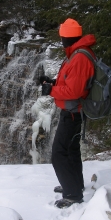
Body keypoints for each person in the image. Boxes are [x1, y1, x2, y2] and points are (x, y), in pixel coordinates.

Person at [39, 18, 96, 209]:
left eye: (62, 36)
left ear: (67, 37)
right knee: (71, 150)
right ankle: (74, 184)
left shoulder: (79, 57)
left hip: (73, 112)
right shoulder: (76, 53)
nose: (61, 40)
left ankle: (72, 195)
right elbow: (70, 83)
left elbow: (74, 92)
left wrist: (51, 91)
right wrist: (52, 83)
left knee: (59, 153)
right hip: (73, 110)